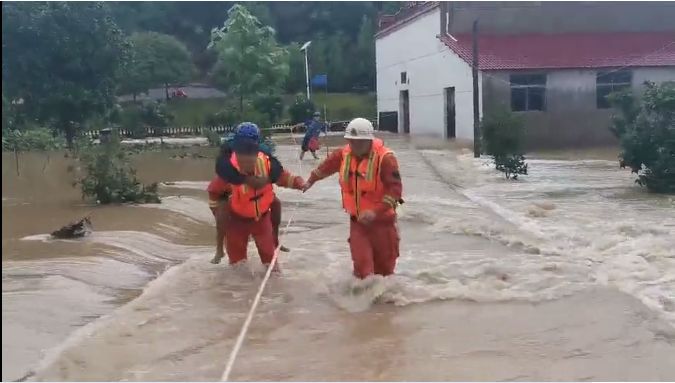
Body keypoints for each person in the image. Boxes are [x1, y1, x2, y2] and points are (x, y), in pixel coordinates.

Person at [303, 118, 404, 279]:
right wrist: (310, 181)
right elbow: (325, 167)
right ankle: (359, 301)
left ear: (369, 140)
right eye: (351, 141)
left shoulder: (386, 158)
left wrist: (375, 212)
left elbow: (395, 191)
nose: (354, 146)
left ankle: (382, 304)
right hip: (359, 224)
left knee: (385, 273)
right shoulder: (343, 154)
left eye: (359, 142)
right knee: (363, 270)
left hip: (383, 224)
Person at [210, 123, 305, 268]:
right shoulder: (228, 170)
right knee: (237, 266)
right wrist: (220, 215)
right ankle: (219, 250)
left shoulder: (266, 163)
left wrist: (301, 183)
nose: (246, 159)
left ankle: (276, 240)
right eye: (242, 152)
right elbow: (214, 194)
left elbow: (284, 178)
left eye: (250, 153)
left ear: (257, 151)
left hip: (261, 220)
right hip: (236, 222)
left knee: (271, 265)